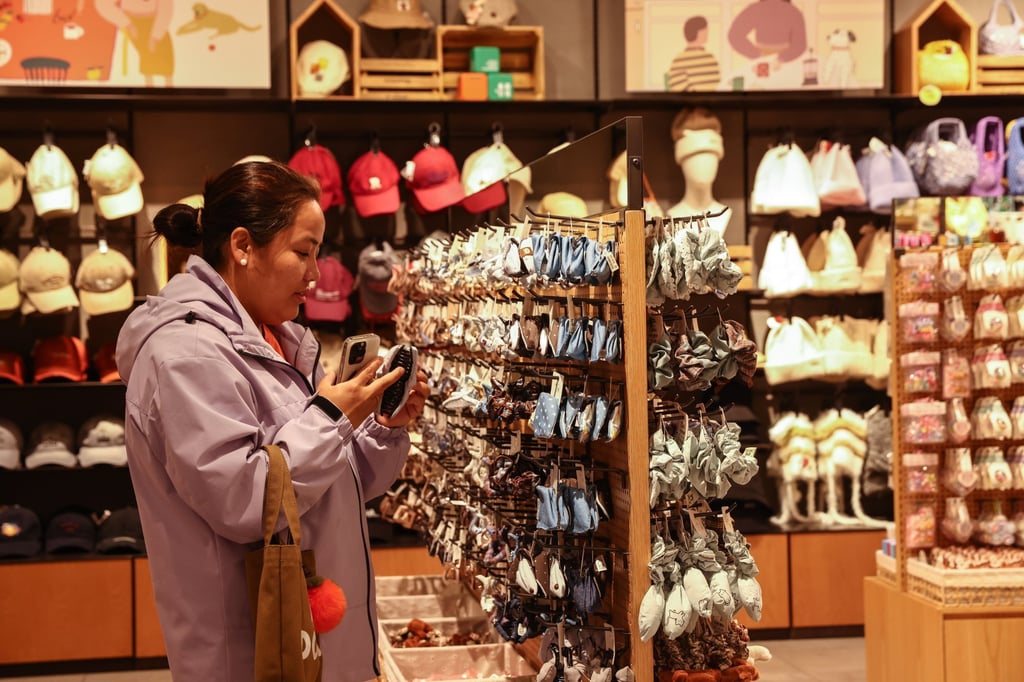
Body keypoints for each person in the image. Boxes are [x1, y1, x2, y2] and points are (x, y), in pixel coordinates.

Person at [115, 160, 429, 682]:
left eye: (318, 253)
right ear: (243, 246)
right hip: (250, 651)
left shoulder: (276, 337)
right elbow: (243, 499)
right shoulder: (188, 353)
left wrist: (382, 425)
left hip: (311, 638)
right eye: (303, 252)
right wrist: (332, 415)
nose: (316, 272)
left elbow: (336, 486)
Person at [667, 107, 732, 237]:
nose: (703, 165)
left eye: (710, 156)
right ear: (681, 161)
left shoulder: (725, 213)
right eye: (694, 158)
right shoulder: (672, 216)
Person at [667, 15, 721, 92]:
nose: (707, 33)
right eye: (705, 30)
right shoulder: (680, 59)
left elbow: (716, 85)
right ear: (699, 32)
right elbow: (677, 87)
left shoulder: (710, 57)